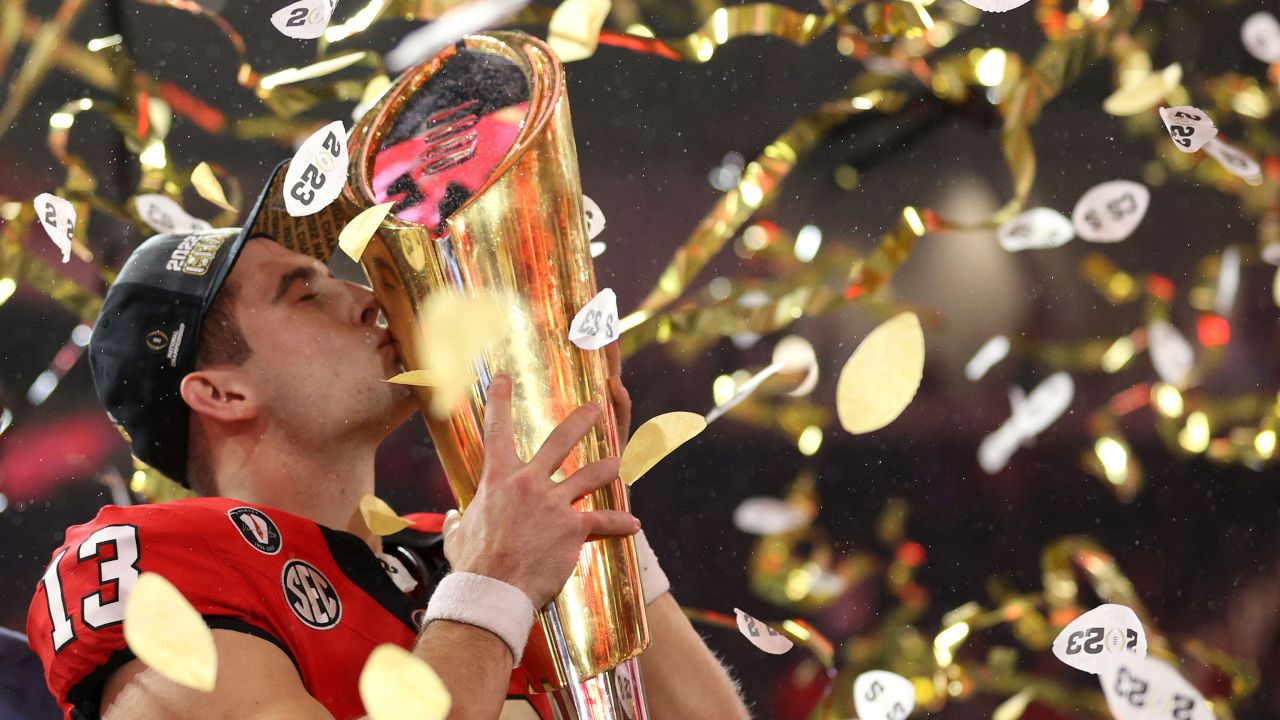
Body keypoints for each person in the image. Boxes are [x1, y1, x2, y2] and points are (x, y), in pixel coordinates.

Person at [26, 166, 751, 720]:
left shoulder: (466, 545)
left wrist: (587, 515)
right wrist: (493, 586)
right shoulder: (143, 565)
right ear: (222, 393)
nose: (371, 299)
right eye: (305, 294)